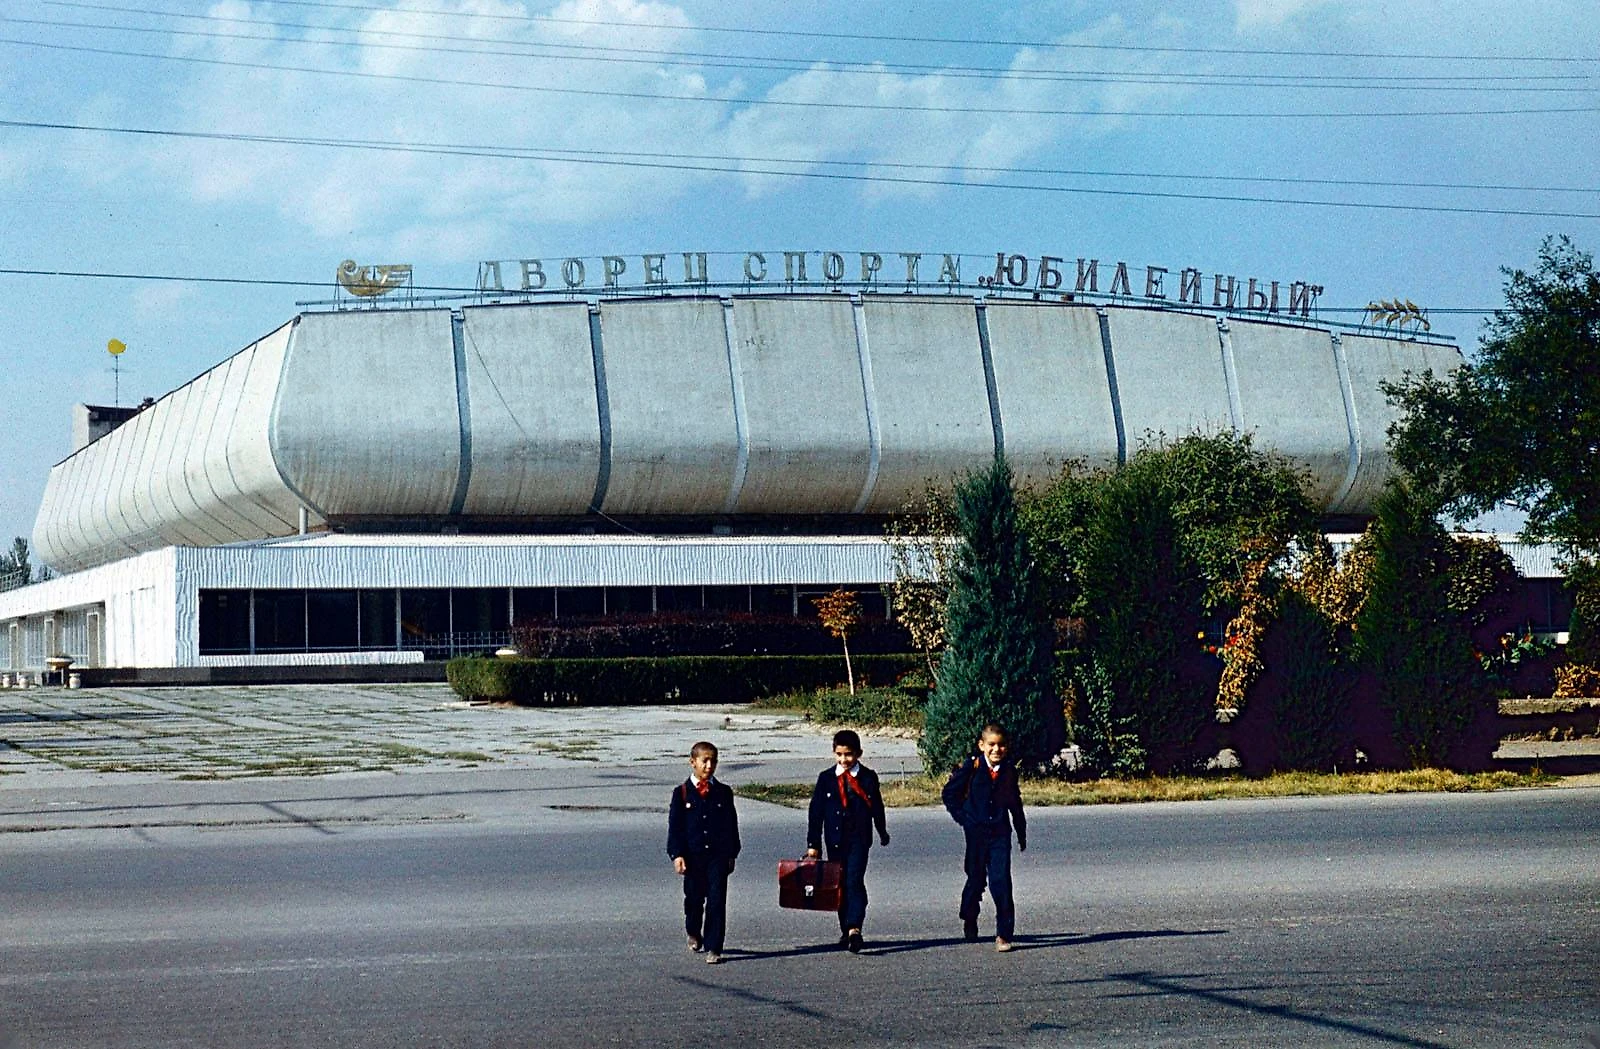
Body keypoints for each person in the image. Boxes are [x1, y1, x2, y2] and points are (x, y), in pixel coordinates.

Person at [941, 722, 1027, 952]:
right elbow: (949, 794)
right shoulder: (972, 766)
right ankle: (969, 917)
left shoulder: (1008, 770)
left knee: (1001, 883)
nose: (996, 749)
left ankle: (1004, 934)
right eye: (991, 745)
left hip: (1000, 833)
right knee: (975, 880)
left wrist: (1021, 829)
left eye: (1001, 745)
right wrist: (963, 818)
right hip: (976, 834)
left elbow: (1014, 801)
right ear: (982, 745)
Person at [805, 729, 889, 953]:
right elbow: (816, 813)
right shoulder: (826, 779)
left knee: (854, 880)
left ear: (859, 753)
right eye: (839, 754)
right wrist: (813, 844)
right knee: (840, 883)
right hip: (834, 840)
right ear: (834, 753)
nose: (844, 760)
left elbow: (876, 807)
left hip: (859, 839)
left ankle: (855, 928)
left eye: (849, 754)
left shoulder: (868, 777)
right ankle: (846, 929)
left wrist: (882, 830)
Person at [667, 741, 740, 964]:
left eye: (713, 761)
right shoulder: (681, 793)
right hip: (693, 856)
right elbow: (675, 826)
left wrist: (732, 854)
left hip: (717, 856)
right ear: (693, 762)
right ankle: (693, 932)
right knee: (694, 900)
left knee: (717, 901)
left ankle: (714, 946)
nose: (709, 765)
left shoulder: (723, 792)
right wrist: (677, 854)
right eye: (704, 760)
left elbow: (731, 824)